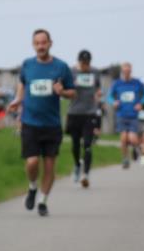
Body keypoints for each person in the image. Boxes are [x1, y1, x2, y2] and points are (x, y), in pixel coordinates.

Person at [7, 29, 75, 216]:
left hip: (52, 125)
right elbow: (22, 82)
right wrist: (18, 99)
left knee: (50, 166)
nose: (40, 46)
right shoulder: (27, 65)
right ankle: (32, 187)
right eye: (37, 43)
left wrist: (62, 92)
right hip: (30, 122)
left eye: (43, 42)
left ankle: (43, 202)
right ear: (33, 45)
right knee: (32, 162)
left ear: (50, 43)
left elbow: (73, 92)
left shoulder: (61, 67)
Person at [65, 49, 103, 188]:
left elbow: (98, 88)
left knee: (87, 145)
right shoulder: (71, 72)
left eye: (88, 63)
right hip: (74, 112)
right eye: (83, 62)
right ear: (79, 61)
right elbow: (65, 87)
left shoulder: (95, 72)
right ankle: (76, 165)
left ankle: (85, 174)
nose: (85, 65)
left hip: (90, 113)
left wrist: (99, 93)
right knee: (75, 144)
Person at [108, 63, 144, 169]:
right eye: (124, 71)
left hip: (133, 115)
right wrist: (114, 102)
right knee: (123, 138)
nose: (126, 73)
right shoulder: (117, 83)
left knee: (132, 139)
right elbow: (109, 97)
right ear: (122, 72)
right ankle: (125, 159)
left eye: (128, 71)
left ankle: (137, 149)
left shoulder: (137, 83)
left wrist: (140, 103)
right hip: (121, 114)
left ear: (131, 71)